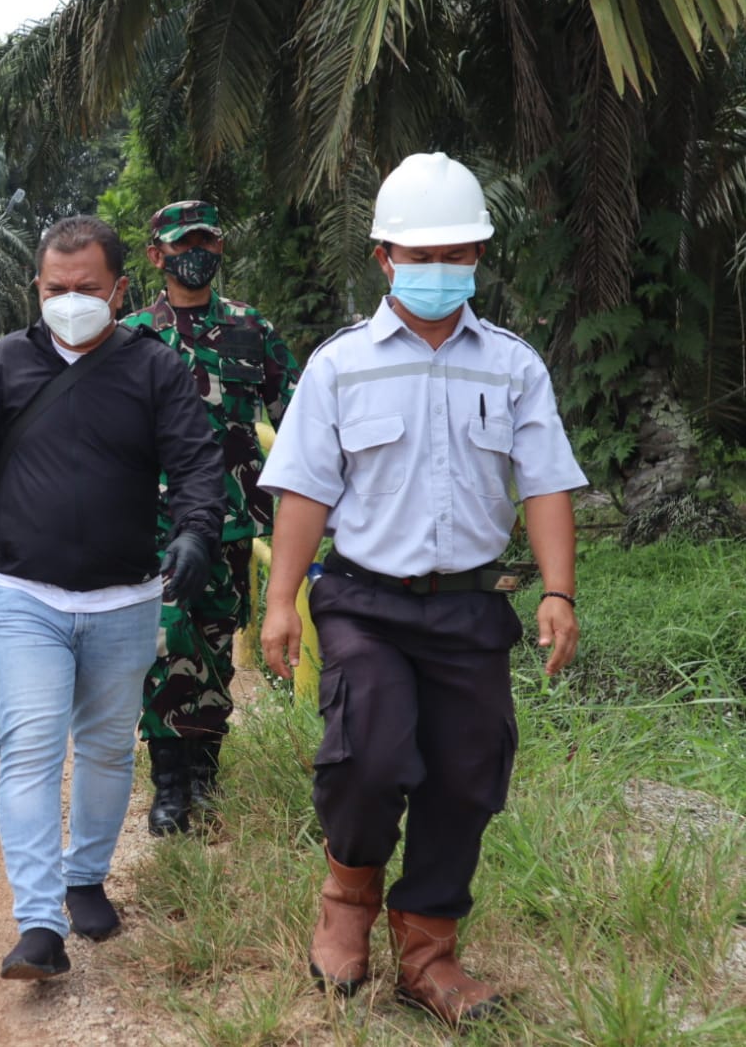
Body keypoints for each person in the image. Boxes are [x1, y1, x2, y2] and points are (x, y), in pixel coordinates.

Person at [259, 153, 585, 1026]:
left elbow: (545, 482)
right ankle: (346, 901)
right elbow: (304, 491)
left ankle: (430, 953)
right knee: (369, 753)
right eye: (420, 253)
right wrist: (279, 601)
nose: (439, 270)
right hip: (365, 600)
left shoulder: (512, 366)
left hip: (471, 605)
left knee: (466, 774)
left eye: (457, 254)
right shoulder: (339, 366)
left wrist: (558, 591)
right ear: (382, 257)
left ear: (479, 254)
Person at [0, 216, 226, 980]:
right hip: (23, 594)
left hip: (125, 598)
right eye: (55, 289)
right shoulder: (2, 366)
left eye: (86, 289)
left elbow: (195, 461)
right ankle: (38, 925)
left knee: (104, 745)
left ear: (118, 289)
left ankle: (84, 875)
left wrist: (194, 533)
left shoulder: (154, 368)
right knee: (27, 745)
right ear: (36, 287)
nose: (69, 301)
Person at [128, 200, 298, 835]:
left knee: (218, 646)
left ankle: (205, 773)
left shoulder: (254, 330)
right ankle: (169, 783)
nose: (192, 252)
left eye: (204, 241)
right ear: (156, 255)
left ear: (220, 250)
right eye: (179, 243)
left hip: (231, 519)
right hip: (155, 520)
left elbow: (300, 416)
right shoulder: (134, 335)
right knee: (166, 642)